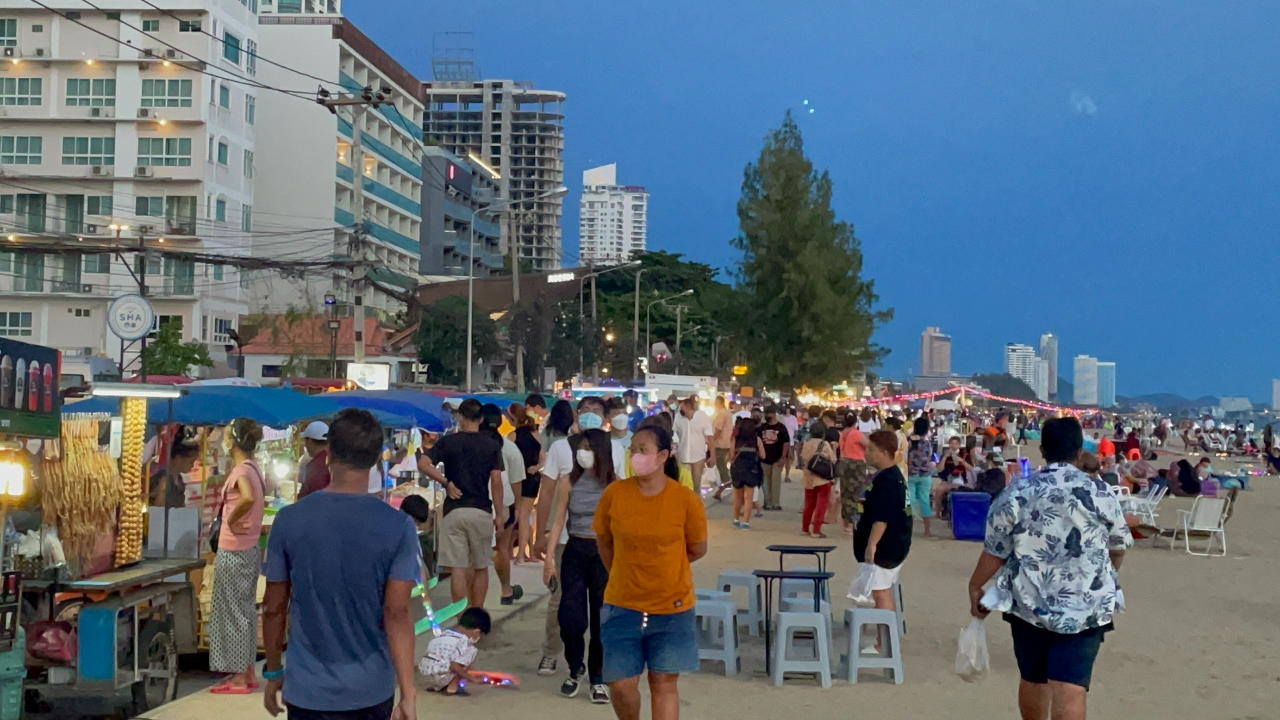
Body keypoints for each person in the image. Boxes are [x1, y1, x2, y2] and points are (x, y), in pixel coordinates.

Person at [966, 417, 1132, 720]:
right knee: (1072, 687)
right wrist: (1107, 574)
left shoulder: (1017, 493)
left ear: (1043, 449)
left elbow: (995, 551)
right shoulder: (1101, 494)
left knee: (1033, 678)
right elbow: (1118, 546)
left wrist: (975, 585)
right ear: (1080, 451)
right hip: (1086, 603)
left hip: (1031, 602)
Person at [263, 409, 420, 720]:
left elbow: (273, 607)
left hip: (307, 691)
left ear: (329, 453)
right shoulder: (398, 526)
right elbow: (397, 614)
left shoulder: (289, 521)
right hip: (371, 691)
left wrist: (272, 671)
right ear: (377, 458)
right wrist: (408, 691)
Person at [595, 425, 707, 720]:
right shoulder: (615, 494)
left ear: (662, 456)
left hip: (672, 606)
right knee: (620, 684)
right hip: (622, 605)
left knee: (664, 684)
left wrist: (665, 565)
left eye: (642, 449)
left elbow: (697, 548)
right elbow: (604, 543)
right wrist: (622, 572)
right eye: (633, 449)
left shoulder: (685, 500)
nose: (635, 456)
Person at [544, 428, 617, 704]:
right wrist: (549, 560)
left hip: (603, 554)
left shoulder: (614, 484)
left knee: (601, 619)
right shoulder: (569, 481)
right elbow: (559, 520)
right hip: (574, 550)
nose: (583, 453)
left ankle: (598, 678)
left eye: (588, 447)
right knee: (571, 617)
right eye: (581, 448)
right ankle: (575, 667)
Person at [417, 399, 503, 609]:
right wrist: (499, 514)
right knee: (481, 566)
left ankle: (461, 618)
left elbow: (423, 463)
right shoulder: (491, 445)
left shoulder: (449, 442)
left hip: (454, 510)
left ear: (460, 418)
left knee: (457, 568)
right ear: (481, 419)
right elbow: (496, 481)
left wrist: (446, 483)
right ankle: (477, 615)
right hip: (481, 510)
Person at [209, 418, 266, 694]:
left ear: (233, 441)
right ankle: (247, 670)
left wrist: (231, 520)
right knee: (243, 612)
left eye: (226, 436)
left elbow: (246, 497)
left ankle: (239, 678)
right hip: (248, 549)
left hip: (234, 550)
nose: (222, 440)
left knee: (231, 613)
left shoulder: (242, 471)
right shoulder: (254, 468)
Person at [854, 430, 912, 627]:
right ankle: (885, 637)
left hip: (887, 545)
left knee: (880, 591)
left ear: (885, 452)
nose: (867, 453)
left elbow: (882, 517)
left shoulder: (888, 479)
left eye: (872, 449)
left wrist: (872, 545)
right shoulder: (892, 476)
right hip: (894, 542)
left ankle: (884, 642)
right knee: (881, 590)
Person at [481, 403, 525, 606]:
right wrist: (516, 509)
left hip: (475, 503)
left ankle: (472, 603)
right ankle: (505, 590)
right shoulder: (509, 448)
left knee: (475, 557)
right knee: (502, 549)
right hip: (504, 506)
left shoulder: (469, 445)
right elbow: (517, 483)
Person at [418, 607, 491, 696]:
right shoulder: (463, 641)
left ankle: (436, 686)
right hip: (441, 677)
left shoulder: (445, 632)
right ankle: (452, 687)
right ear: (476, 632)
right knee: (471, 652)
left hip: (426, 674)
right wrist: (472, 678)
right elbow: (454, 666)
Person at [509, 404, 544, 565]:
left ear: (514, 419)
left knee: (519, 516)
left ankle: (520, 555)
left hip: (518, 478)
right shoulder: (536, 434)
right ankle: (526, 552)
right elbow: (543, 457)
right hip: (533, 478)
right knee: (526, 516)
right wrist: (536, 467)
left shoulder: (512, 436)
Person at [800, 427, 838, 538]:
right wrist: (834, 448)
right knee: (821, 505)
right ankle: (816, 530)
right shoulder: (824, 444)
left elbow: (803, 458)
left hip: (808, 478)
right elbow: (833, 459)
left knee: (809, 504)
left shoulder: (806, 444)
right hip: (822, 478)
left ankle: (805, 528)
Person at [729, 412, 765, 529]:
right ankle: (746, 522)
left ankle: (736, 520)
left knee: (737, 496)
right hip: (752, 470)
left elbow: (731, 456)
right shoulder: (757, 439)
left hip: (738, 469)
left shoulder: (735, 439)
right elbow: (763, 456)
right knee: (748, 498)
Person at [905, 416, 937, 538]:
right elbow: (929, 459)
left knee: (909, 502)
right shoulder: (927, 442)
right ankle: (927, 530)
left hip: (910, 474)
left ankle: (908, 529)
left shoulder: (908, 441)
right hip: (924, 475)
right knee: (925, 502)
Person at [150, 429, 199, 508]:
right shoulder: (164, 481)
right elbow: (159, 509)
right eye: (190, 462)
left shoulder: (179, 480)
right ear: (178, 458)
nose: (192, 465)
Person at [836, 412, 869, 530]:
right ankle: (851, 523)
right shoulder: (856, 433)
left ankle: (845, 522)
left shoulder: (843, 433)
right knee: (855, 492)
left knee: (845, 492)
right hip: (856, 464)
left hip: (844, 462)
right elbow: (868, 444)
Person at [675, 398, 714, 491]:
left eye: (682, 406)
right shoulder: (678, 417)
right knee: (684, 486)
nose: (680, 408)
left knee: (696, 485)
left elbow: (710, 437)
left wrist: (712, 456)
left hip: (698, 457)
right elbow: (674, 433)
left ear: (687, 406)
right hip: (683, 457)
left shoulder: (702, 416)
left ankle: (695, 504)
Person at [758, 406, 791, 511]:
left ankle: (776, 502)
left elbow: (786, 443)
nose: (766, 416)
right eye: (765, 413)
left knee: (776, 480)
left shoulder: (781, 428)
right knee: (765, 481)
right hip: (764, 458)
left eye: (768, 413)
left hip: (777, 458)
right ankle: (767, 502)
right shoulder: (761, 428)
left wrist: (783, 457)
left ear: (774, 414)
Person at [296, 421, 331, 499]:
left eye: (305, 440)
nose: (305, 445)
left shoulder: (317, 465)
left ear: (310, 440)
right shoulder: (334, 459)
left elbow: (314, 496)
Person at [710, 396, 734, 500]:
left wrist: (711, 441)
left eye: (716, 402)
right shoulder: (726, 412)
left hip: (721, 443)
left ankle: (726, 481)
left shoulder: (722, 414)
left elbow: (718, 430)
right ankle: (721, 487)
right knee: (721, 465)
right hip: (726, 443)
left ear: (719, 403)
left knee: (720, 464)